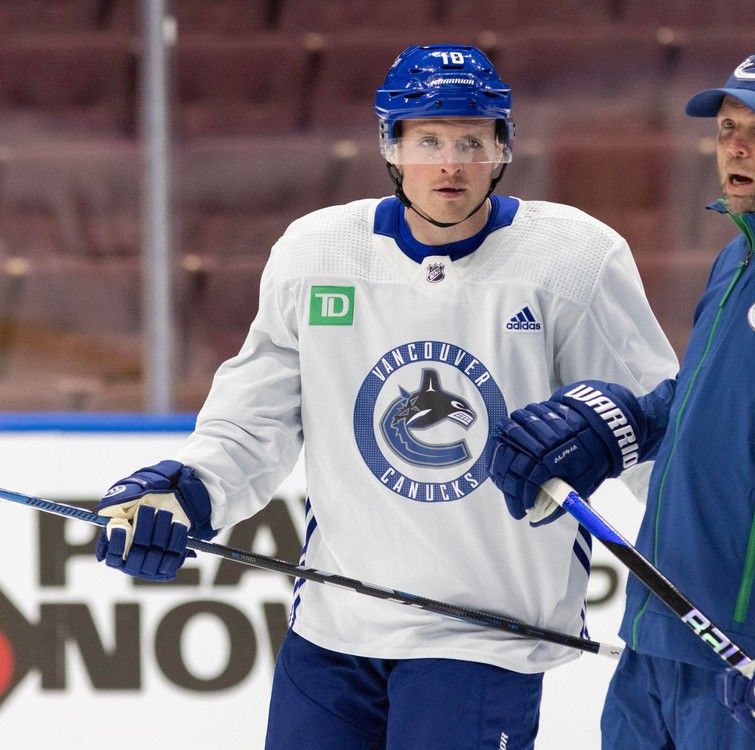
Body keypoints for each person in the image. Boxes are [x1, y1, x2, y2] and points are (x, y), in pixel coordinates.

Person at [91, 44, 677, 749]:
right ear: (390, 146)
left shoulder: (575, 260)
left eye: (471, 140)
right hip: (335, 629)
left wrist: (723, 550)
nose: (450, 163)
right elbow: (255, 420)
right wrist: (188, 492)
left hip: (485, 637)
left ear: (503, 148)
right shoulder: (317, 254)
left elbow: (652, 434)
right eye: (427, 140)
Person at [490, 49, 755, 749]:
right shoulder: (741, 256)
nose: (736, 148)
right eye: (726, 130)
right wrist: (621, 425)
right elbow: (703, 400)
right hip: (661, 629)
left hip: (745, 656)